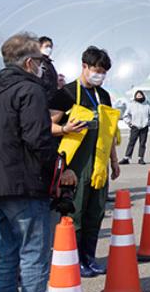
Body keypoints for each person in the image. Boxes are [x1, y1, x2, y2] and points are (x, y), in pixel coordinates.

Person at [0, 33, 78, 292]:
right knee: (33, 255)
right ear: (30, 62)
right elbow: (38, 138)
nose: (45, 67)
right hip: (23, 182)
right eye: (42, 61)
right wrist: (61, 168)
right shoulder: (29, 90)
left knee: (8, 255)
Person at [50, 46, 121, 278]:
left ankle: (89, 258)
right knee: (75, 212)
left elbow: (109, 130)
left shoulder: (104, 95)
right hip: (76, 165)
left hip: (98, 164)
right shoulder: (67, 93)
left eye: (103, 72)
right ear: (84, 67)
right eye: (97, 70)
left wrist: (114, 160)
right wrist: (64, 128)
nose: (100, 75)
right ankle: (74, 259)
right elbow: (46, 126)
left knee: (96, 212)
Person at [120, 90, 150, 164]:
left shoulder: (147, 105)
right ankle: (127, 157)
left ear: (143, 96)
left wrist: (149, 123)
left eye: (140, 95)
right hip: (135, 126)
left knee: (142, 143)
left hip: (144, 127)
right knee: (131, 142)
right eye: (137, 96)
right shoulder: (131, 105)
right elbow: (126, 115)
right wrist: (129, 123)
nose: (139, 97)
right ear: (135, 96)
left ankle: (141, 158)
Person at [38, 36, 60, 102]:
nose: (49, 49)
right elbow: (42, 71)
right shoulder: (40, 62)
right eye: (46, 46)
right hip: (44, 98)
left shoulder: (48, 63)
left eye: (50, 47)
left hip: (52, 97)